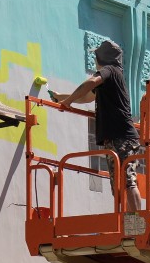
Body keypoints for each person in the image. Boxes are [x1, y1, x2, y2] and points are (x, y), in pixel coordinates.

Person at [57, 39, 144, 213]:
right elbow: (87, 97)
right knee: (119, 184)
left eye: (96, 56)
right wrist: (61, 98)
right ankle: (127, 219)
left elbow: (90, 83)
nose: (95, 59)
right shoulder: (111, 77)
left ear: (101, 57)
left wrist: (68, 101)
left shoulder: (109, 70)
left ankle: (136, 220)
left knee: (128, 180)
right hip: (115, 137)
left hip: (122, 137)